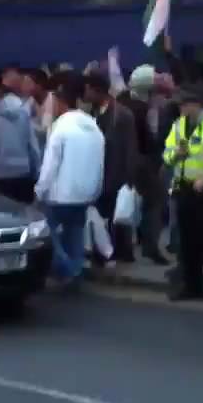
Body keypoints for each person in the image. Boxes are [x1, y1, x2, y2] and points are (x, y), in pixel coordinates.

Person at [35, 74, 104, 290]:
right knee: (75, 236)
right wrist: (95, 191)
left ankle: (68, 270)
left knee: (45, 234)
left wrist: (39, 191)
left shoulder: (60, 127)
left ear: (60, 102)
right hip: (85, 194)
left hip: (60, 195)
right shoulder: (93, 126)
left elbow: (50, 165)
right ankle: (74, 273)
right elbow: (100, 163)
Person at [162, 86, 203, 301]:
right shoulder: (179, 126)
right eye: (179, 105)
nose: (181, 109)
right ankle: (193, 285)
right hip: (184, 188)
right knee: (188, 242)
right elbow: (167, 154)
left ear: (196, 104)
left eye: (184, 105)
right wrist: (175, 154)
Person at [85, 70, 138, 263]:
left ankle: (120, 253)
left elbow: (130, 147)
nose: (85, 95)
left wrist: (129, 178)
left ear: (98, 90)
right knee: (101, 217)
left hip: (116, 174)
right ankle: (104, 253)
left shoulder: (122, 114)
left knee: (118, 216)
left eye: (88, 90)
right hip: (98, 174)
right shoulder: (92, 112)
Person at [118, 64, 168, 265]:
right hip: (142, 161)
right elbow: (149, 139)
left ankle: (125, 247)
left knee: (124, 204)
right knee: (154, 201)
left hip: (122, 161)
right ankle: (150, 246)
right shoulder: (144, 108)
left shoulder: (122, 101)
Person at [0, 70, 41, 203]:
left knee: (4, 219)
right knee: (25, 218)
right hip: (24, 173)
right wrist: (37, 172)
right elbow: (32, 145)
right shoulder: (22, 110)